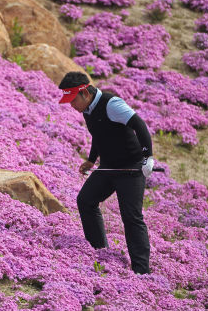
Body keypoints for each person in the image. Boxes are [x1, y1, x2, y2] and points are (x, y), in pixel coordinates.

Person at [58, 71, 154, 275]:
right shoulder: (87, 109)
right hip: (109, 166)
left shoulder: (112, 104)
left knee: (131, 216)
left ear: (84, 92)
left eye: (73, 100)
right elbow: (98, 135)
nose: (71, 105)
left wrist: (148, 158)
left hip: (130, 167)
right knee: (86, 200)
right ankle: (100, 252)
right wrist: (92, 160)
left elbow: (140, 125)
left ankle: (142, 272)